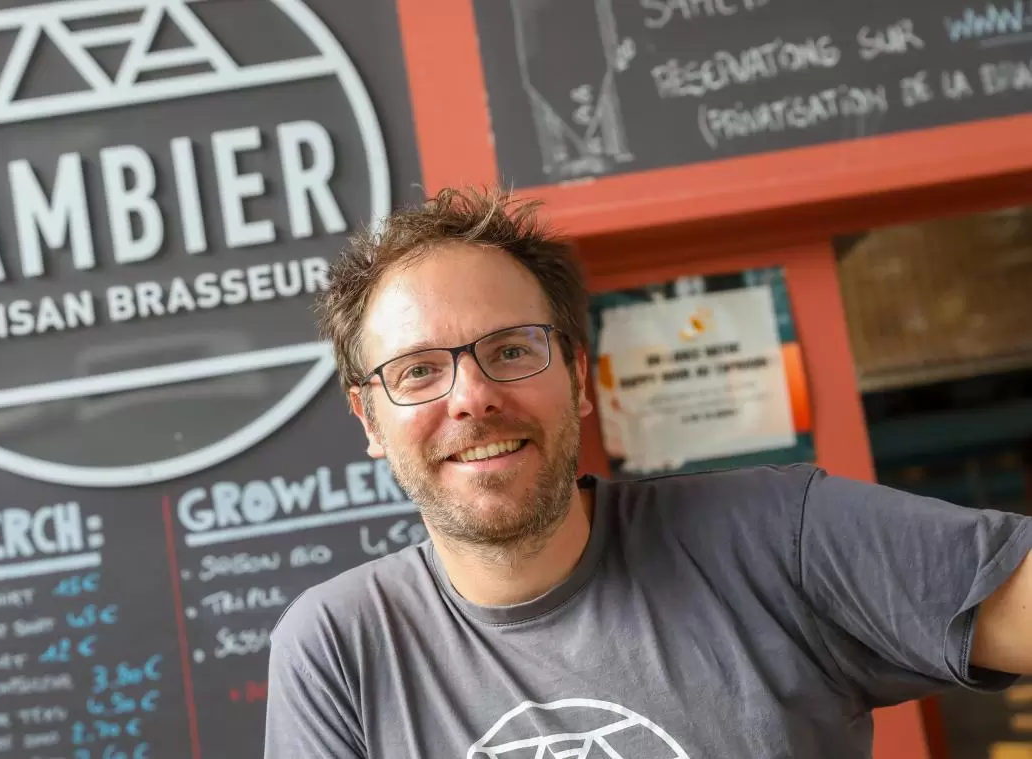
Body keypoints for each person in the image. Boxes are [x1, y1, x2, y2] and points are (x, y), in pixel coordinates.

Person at [262, 186, 1032, 758]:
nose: (473, 398)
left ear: (576, 375)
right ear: (369, 418)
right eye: (420, 370)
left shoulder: (775, 537)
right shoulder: (340, 645)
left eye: (511, 350)